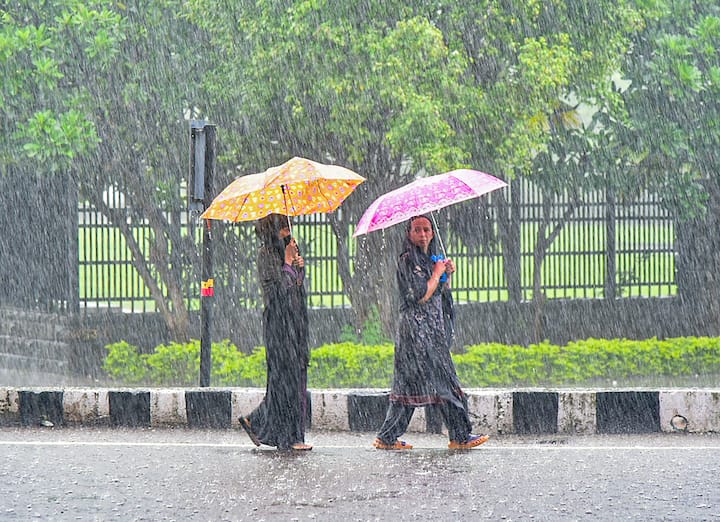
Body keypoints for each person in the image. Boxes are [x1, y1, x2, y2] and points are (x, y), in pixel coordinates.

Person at [373, 215, 489, 450]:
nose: (423, 234)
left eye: (427, 229)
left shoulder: (430, 260)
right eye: (417, 230)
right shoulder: (407, 261)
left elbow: (438, 295)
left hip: (432, 332)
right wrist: (437, 274)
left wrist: (446, 277)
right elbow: (420, 295)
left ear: (433, 233)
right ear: (409, 234)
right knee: (439, 382)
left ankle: (387, 437)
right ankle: (459, 435)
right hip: (416, 334)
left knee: (412, 385)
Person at [239, 213, 312, 451]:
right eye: (283, 228)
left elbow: (295, 291)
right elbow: (277, 293)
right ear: (273, 230)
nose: (288, 232)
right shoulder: (266, 256)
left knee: (295, 377)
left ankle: (261, 422)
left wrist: (299, 271)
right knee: (284, 380)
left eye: (288, 226)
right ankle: (289, 438)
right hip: (279, 326)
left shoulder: (288, 251)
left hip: (295, 324)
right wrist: (289, 266)